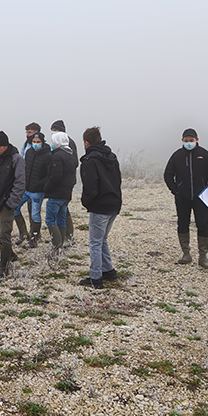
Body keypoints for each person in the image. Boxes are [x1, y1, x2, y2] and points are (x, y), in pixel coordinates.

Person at [163, 128, 208, 270]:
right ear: (182, 140)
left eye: (191, 140)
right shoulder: (177, 155)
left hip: (202, 197)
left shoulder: (204, 155)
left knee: (203, 224)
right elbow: (168, 174)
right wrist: (175, 190)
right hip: (182, 197)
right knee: (183, 223)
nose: (189, 143)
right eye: (186, 140)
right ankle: (186, 254)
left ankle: (203, 256)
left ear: (197, 140)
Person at [78, 127, 122, 289]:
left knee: (95, 242)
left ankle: (96, 277)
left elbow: (90, 187)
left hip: (100, 206)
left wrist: (87, 202)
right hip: (114, 204)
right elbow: (118, 180)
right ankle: (108, 270)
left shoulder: (90, 161)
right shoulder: (111, 157)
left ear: (86, 142)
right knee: (102, 239)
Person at [0, 131, 26, 278]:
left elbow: (20, 182)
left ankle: (3, 266)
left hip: (7, 204)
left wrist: (12, 202)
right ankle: (10, 254)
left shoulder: (17, 159)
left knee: (4, 235)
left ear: (5, 145)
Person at [14, 132, 51, 248]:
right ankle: (23, 233)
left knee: (35, 214)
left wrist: (41, 185)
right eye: (34, 142)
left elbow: (49, 174)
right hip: (26, 189)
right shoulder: (29, 152)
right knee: (15, 208)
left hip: (37, 192)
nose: (35, 144)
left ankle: (34, 239)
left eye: (38, 142)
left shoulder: (48, 156)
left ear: (42, 142)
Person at [44, 132, 77, 250]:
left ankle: (56, 246)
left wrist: (46, 188)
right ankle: (62, 243)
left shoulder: (57, 156)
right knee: (61, 218)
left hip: (56, 194)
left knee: (50, 220)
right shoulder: (70, 155)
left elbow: (55, 176)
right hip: (66, 194)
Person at [51, 120, 79, 246]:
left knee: (63, 208)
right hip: (66, 180)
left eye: (55, 131)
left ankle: (69, 235)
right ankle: (59, 236)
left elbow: (74, 162)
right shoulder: (60, 143)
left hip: (65, 181)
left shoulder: (68, 142)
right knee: (62, 208)